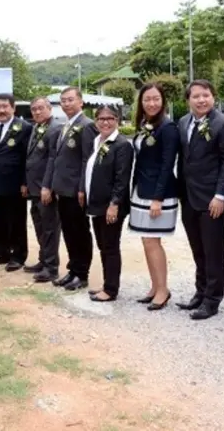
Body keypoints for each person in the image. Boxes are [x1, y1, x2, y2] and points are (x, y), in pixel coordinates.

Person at [176, 80, 224, 320]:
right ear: (188, 100)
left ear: (213, 97)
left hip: (212, 198)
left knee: (213, 250)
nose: (201, 100)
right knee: (197, 248)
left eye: (206, 95)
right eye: (196, 96)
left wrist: (221, 195)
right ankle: (200, 292)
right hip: (189, 197)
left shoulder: (223, 124)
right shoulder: (183, 122)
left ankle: (212, 299)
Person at [129, 83, 180, 311]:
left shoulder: (167, 127)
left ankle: (163, 290)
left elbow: (167, 164)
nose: (151, 103)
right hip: (142, 190)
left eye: (155, 99)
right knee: (146, 240)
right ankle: (155, 286)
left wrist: (158, 197)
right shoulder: (146, 125)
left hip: (158, 194)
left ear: (163, 101)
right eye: (147, 99)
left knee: (153, 241)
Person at [83, 105, 134, 302]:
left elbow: (122, 178)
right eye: (101, 119)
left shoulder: (121, 145)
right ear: (96, 121)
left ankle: (111, 289)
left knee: (111, 247)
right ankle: (106, 284)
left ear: (117, 120)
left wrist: (114, 204)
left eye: (110, 118)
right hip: (96, 204)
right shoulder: (98, 141)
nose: (105, 122)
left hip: (111, 207)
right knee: (103, 246)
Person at [51, 87, 97, 291]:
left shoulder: (86, 125)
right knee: (69, 231)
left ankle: (82, 273)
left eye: (70, 100)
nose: (66, 103)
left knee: (80, 232)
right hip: (63, 189)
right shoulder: (66, 125)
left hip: (76, 190)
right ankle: (73, 269)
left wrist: (82, 188)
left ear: (81, 102)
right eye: (63, 100)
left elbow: (88, 159)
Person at [0, 93, 31, 271]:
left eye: (5, 106)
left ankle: (18, 256)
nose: (1, 110)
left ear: (13, 108)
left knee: (16, 221)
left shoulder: (24, 127)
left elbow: (27, 157)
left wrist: (25, 182)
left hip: (15, 184)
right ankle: (2, 253)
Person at [23, 97, 63, 283]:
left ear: (49, 108)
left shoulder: (54, 129)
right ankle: (43, 260)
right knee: (39, 225)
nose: (37, 112)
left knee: (50, 229)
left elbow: (53, 160)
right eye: (34, 109)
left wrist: (47, 186)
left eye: (40, 108)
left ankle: (51, 267)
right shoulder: (36, 127)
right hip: (34, 188)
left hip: (45, 189)